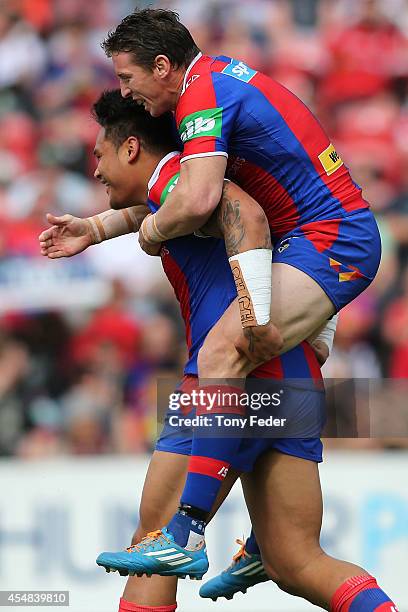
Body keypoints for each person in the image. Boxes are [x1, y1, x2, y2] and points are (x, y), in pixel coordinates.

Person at [40, 90, 397, 612]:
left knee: (154, 541)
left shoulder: (179, 179)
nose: (96, 170)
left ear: (132, 148)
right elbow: (159, 210)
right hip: (292, 373)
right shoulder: (189, 185)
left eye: (100, 155)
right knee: (297, 562)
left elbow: (237, 214)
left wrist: (249, 319)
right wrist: (95, 229)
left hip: (233, 373)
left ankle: (190, 533)